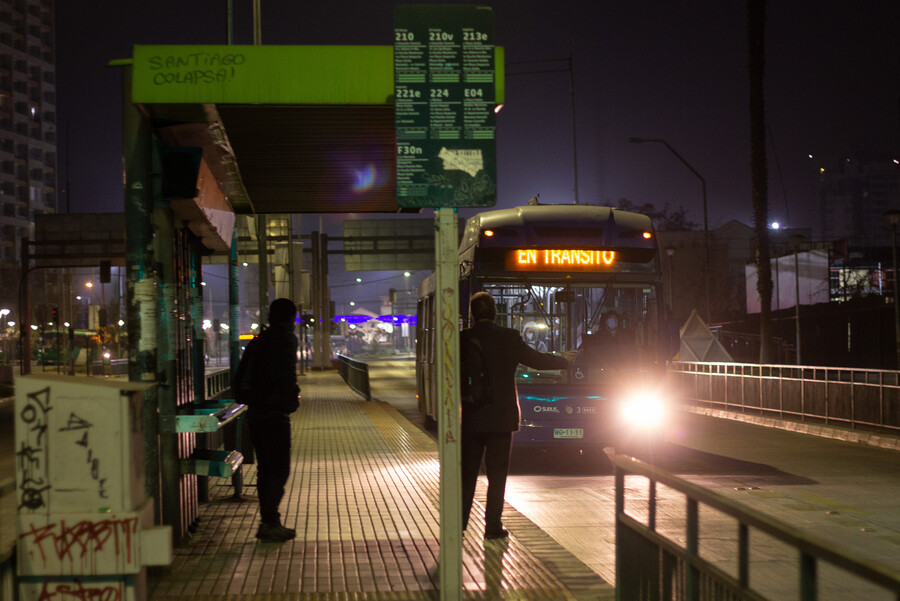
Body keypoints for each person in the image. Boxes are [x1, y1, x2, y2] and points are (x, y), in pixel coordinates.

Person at [460, 291, 571, 539]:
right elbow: (536, 360)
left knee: (467, 473)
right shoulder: (509, 338)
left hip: (471, 417)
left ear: (472, 315)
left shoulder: (463, 339)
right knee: (497, 476)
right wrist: (564, 361)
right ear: (495, 312)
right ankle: (492, 527)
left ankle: (459, 524)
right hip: (501, 419)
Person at [243, 298, 301, 542]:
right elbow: (285, 375)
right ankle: (269, 522)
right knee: (279, 469)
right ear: (290, 319)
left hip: (255, 414)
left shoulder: (259, 340)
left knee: (266, 468)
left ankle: (268, 521)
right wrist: (292, 398)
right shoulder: (286, 339)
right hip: (275, 414)